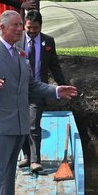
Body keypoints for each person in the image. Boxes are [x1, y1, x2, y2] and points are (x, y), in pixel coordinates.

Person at [0, 10, 78, 195]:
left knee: (10, 170)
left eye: (21, 25)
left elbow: (33, 86)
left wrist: (57, 90)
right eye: (15, 25)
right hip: (0, 124)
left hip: (20, 123)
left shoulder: (20, 55)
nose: (20, 29)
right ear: (1, 27)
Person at [17, 10, 66, 172]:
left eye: (35, 28)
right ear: (25, 25)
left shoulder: (48, 42)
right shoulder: (17, 41)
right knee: (21, 123)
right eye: (29, 28)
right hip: (18, 90)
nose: (31, 32)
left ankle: (35, 160)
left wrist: (62, 85)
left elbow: (54, 65)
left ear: (41, 26)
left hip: (38, 89)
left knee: (33, 124)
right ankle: (26, 156)